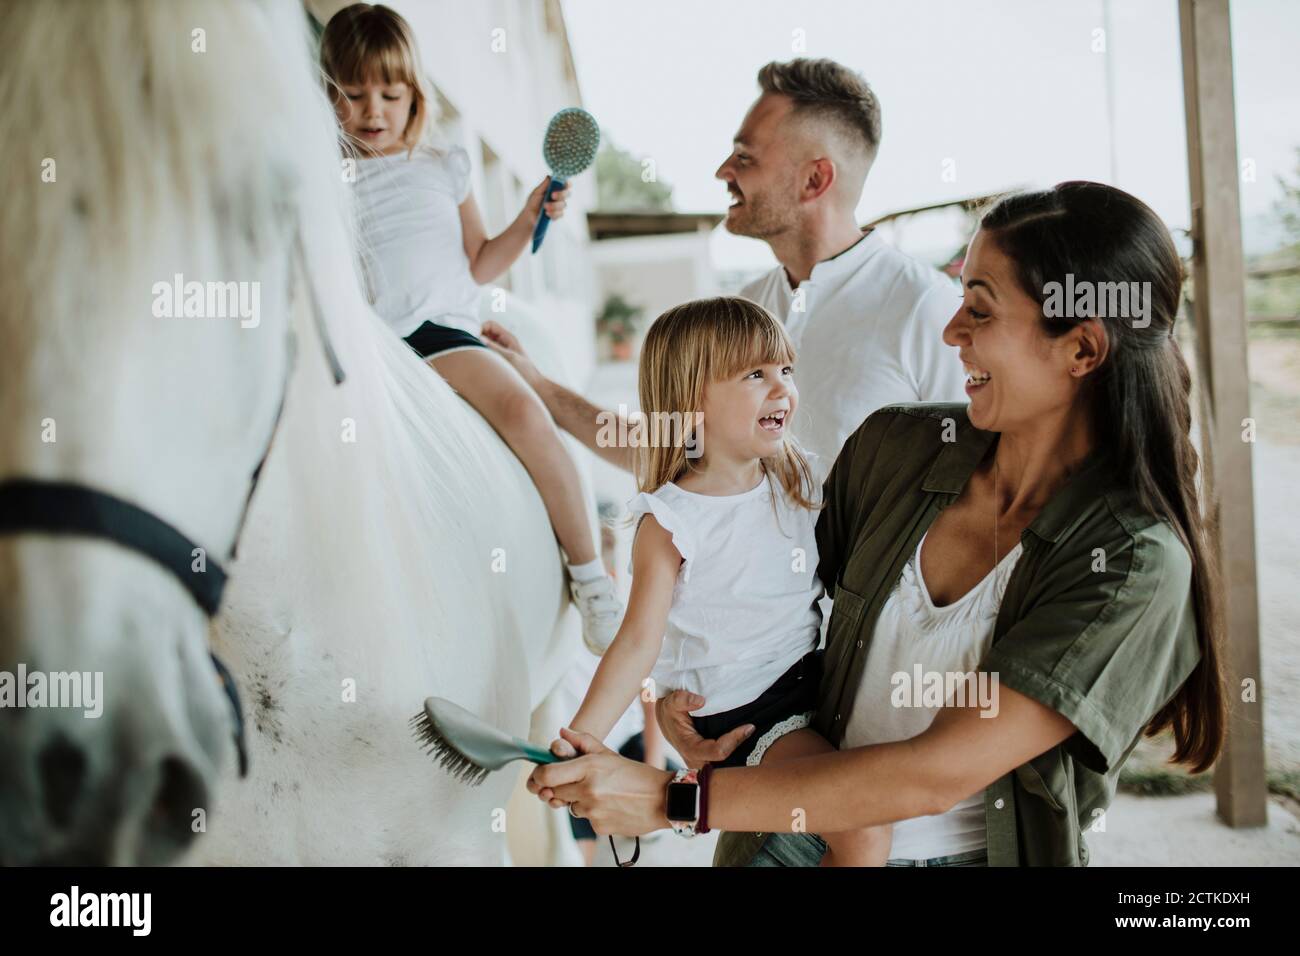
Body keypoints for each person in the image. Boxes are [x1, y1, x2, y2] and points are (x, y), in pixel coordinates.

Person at [524, 182, 1226, 867]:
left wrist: (673, 802)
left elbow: (932, 774)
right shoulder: (898, 446)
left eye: (980, 312)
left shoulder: (1134, 564)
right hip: (780, 824)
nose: (951, 331)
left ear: (1082, 348)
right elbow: (755, 583)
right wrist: (700, 707)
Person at [319, 3, 622, 651]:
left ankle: (590, 574)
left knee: (522, 410)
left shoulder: (443, 166)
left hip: (438, 334)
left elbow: (483, 261)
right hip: (372, 348)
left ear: (413, 98)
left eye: (389, 94)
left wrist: (526, 215)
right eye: (352, 94)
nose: (372, 110)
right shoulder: (328, 177)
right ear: (328, 95)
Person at [552, 298, 892, 864]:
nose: (781, 388)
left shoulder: (795, 473)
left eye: (785, 370)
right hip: (750, 715)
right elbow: (638, 642)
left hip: (809, 682)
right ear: (691, 402)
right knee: (864, 831)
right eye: (755, 375)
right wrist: (580, 736)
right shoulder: (671, 520)